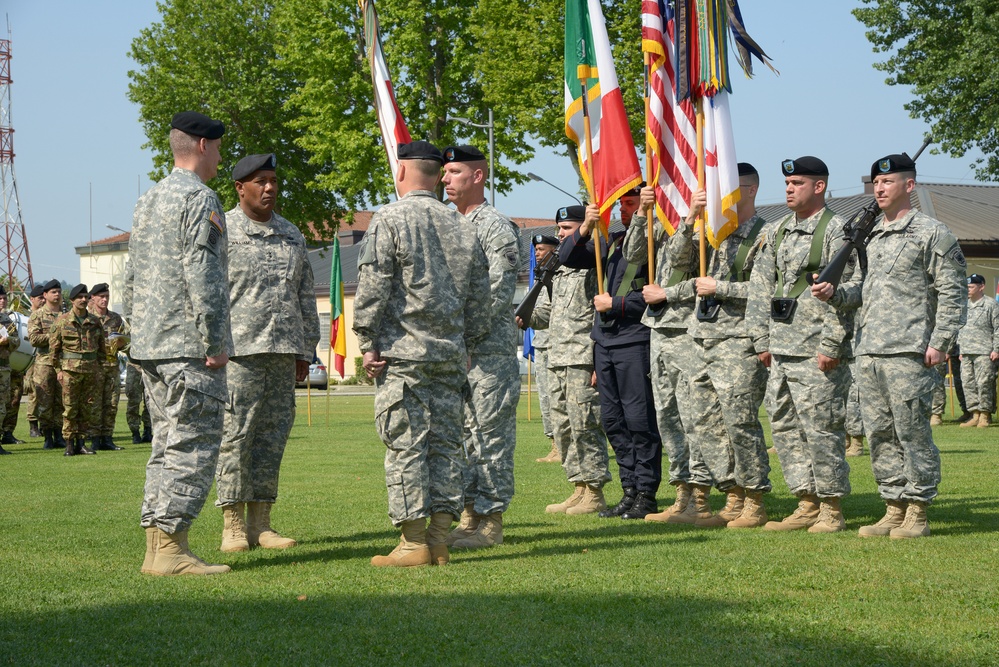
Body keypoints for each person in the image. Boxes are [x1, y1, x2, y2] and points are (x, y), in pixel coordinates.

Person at [352, 140, 490, 568]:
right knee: (447, 447)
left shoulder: (390, 218)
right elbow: (481, 303)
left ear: (401, 171)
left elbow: (374, 285)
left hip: (404, 357)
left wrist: (366, 341)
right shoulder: (464, 226)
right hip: (449, 356)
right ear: (436, 175)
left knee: (406, 446)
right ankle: (440, 540)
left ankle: (413, 544)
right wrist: (466, 344)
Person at [814, 153, 966, 539]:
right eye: (876, 183)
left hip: (910, 351)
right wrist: (834, 293)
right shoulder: (872, 236)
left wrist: (941, 342)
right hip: (870, 350)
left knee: (912, 432)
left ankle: (918, 510)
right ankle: (893, 506)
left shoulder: (932, 233)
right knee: (879, 433)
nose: (879, 188)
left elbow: (952, 293)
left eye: (888, 182)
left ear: (909, 186)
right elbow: (863, 290)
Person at [123, 110, 233, 575]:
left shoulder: (148, 200)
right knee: (190, 444)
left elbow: (128, 278)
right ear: (204, 146)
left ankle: (157, 546)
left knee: (165, 445)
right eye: (220, 148)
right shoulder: (200, 198)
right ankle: (171, 550)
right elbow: (203, 276)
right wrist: (214, 340)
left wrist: (137, 331)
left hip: (151, 343)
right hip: (187, 345)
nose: (221, 157)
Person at [747, 156, 861, 533]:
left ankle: (831, 506)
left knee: (822, 428)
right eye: (787, 183)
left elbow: (846, 293)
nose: (789, 188)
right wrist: (760, 339)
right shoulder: (777, 230)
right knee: (785, 428)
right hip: (779, 347)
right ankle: (805, 501)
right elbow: (761, 288)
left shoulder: (836, 230)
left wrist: (831, 344)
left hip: (815, 349)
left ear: (820, 186)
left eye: (797, 182)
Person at [214, 153, 320, 553]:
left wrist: (306, 350)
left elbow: (304, 296)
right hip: (238, 352)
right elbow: (207, 294)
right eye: (260, 181)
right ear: (240, 188)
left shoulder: (291, 234)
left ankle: (262, 523)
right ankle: (233, 523)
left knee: (271, 439)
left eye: (274, 181)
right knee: (235, 437)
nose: (270, 188)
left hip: (282, 351)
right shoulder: (221, 230)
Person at [670, 164, 771, 529]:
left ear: (750, 190)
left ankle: (754, 497)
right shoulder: (712, 233)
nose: (718, 197)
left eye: (726, 189)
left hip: (738, 340)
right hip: (702, 339)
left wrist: (722, 288)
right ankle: (732, 493)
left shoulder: (765, 235)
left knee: (739, 422)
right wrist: (690, 218)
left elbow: (768, 293)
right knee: (705, 424)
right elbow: (675, 264)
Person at [561, 188, 662, 520]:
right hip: (604, 341)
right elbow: (568, 257)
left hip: (634, 340)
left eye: (630, 203)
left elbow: (659, 295)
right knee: (613, 421)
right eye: (620, 204)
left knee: (638, 420)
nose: (622, 210)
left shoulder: (655, 243)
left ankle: (646, 492)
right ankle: (629, 489)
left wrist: (616, 304)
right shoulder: (614, 242)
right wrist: (586, 227)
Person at [440, 145, 522, 550]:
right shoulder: (448, 224)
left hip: (488, 352)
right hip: (457, 351)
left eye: (454, 171)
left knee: (490, 437)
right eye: (443, 172)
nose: (444, 179)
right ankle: (469, 517)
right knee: (465, 437)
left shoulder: (494, 226)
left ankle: (491, 523)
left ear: (477, 176)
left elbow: (500, 286)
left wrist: (467, 335)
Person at [622, 185, 716, 522]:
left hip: (686, 328)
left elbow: (681, 259)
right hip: (659, 330)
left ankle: (700, 496)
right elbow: (632, 256)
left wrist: (689, 218)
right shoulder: (658, 222)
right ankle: (681, 492)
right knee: (667, 416)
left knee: (692, 416)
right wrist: (639, 216)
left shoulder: (704, 223)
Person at [520, 205, 611, 516]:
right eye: (558, 230)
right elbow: (548, 315)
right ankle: (578, 487)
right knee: (564, 427)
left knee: (585, 424)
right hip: (557, 356)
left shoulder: (596, 264)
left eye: (567, 229)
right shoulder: (556, 270)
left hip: (583, 356)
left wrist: (599, 360)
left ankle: (595, 491)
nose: (560, 235)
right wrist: (524, 316)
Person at [49, 284, 105, 456]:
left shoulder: (95, 322)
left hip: (90, 371)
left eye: (85, 297)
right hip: (69, 372)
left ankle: (81, 443)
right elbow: (54, 350)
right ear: (72, 300)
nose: (83, 300)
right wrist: (58, 370)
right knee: (70, 408)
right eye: (79, 297)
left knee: (86, 408)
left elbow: (102, 348)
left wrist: (100, 369)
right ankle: (68, 443)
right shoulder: (62, 321)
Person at [529, 234, 560, 463]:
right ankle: (553, 443)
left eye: (542, 249)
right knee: (545, 398)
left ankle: (561, 445)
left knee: (556, 397)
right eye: (537, 249)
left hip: (555, 343)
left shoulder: (559, 273)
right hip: (540, 342)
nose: (538, 253)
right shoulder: (540, 274)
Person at [28, 279, 67, 451]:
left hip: (64, 362)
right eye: (53, 292)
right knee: (44, 401)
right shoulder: (38, 315)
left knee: (61, 400)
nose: (57, 294)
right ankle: (48, 436)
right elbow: (34, 339)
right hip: (44, 363)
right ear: (45, 295)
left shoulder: (66, 315)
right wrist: (55, 336)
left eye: (58, 291)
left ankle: (59, 435)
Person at [87, 283, 125, 451]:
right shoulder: (87, 318)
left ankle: (107, 438)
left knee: (111, 403)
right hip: (95, 366)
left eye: (107, 297)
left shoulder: (115, 318)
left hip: (112, 365)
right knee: (95, 403)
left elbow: (124, 341)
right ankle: (94, 438)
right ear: (93, 298)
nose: (104, 300)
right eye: (101, 296)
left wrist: (122, 342)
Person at [957, 274, 999, 427]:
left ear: (981, 286)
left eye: (971, 286)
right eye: (967, 286)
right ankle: (974, 414)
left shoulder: (991, 305)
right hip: (967, 351)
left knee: (984, 383)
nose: (967, 289)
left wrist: (997, 349)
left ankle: (985, 415)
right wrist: (960, 348)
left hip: (985, 351)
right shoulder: (964, 305)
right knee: (968, 383)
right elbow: (960, 328)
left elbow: (998, 329)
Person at [1, 286, 26, 446]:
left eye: (4, 298)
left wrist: (8, 341)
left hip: (3, 368)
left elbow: (17, 341)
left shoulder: (6, 320)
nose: (2, 301)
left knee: (3, 406)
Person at [24, 284, 45, 439]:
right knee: (34, 393)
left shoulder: (47, 315)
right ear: (32, 299)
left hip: (46, 360)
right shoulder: (27, 316)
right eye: (40, 298)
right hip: (31, 361)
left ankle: (46, 425)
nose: (43, 300)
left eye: (44, 297)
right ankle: (33, 425)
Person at [125, 359, 152, 444]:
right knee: (133, 401)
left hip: (150, 366)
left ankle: (148, 431)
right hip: (134, 366)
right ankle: (135, 432)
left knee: (151, 402)